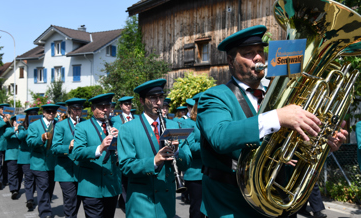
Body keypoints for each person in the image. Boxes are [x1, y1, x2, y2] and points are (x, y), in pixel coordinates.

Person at [196, 25, 348, 218]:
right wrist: (277, 117)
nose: (258, 57)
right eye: (249, 53)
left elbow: (292, 150)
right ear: (231, 61)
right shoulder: (215, 96)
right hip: (231, 207)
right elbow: (220, 136)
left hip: (278, 204)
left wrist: (324, 144)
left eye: (260, 52)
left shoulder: (277, 98)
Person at [117, 78, 192, 218]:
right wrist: (154, 161)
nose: (158, 102)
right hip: (141, 204)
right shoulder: (128, 129)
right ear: (141, 100)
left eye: (160, 97)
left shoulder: (174, 126)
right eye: (152, 98)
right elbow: (125, 166)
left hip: (166, 203)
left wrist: (177, 152)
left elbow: (188, 161)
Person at [73, 93, 121, 218]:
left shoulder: (118, 125)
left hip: (112, 184)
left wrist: (121, 138)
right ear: (93, 109)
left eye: (107, 106)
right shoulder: (82, 127)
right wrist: (99, 148)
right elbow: (77, 152)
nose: (105, 109)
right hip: (91, 186)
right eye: (101, 107)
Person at [51, 98, 86, 218]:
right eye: (75, 109)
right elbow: (54, 148)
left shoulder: (86, 123)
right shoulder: (61, 125)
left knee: (78, 200)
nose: (77, 112)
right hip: (66, 170)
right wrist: (69, 147)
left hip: (82, 169)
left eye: (80, 109)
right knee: (70, 199)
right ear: (70, 110)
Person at [27, 104, 59, 218]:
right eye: (49, 112)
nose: (51, 114)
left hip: (53, 163)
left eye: (53, 112)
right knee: (43, 187)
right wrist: (41, 138)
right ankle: (45, 213)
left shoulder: (58, 124)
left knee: (50, 188)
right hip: (39, 163)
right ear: (44, 113)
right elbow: (30, 142)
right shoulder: (34, 125)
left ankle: (46, 206)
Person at [180, 92, 204, 218]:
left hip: (213, 173)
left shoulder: (212, 121)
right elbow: (191, 147)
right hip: (195, 174)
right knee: (197, 212)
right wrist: (212, 145)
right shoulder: (187, 123)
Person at [17, 107, 39, 210]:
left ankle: (31, 195)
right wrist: (28, 130)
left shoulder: (40, 126)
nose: (33, 117)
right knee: (29, 178)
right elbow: (20, 136)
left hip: (36, 156)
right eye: (31, 115)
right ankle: (29, 199)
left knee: (35, 179)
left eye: (35, 114)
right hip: (26, 157)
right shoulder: (22, 126)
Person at [3, 115, 22, 200]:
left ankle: (17, 188)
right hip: (12, 155)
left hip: (21, 156)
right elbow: (6, 135)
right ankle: (13, 190)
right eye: (15, 121)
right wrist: (14, 129)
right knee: (12, 173)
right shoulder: (9, 129)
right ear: (12, 122)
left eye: (18, 121)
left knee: (20, 174)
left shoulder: (22, 130)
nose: (17, 123)